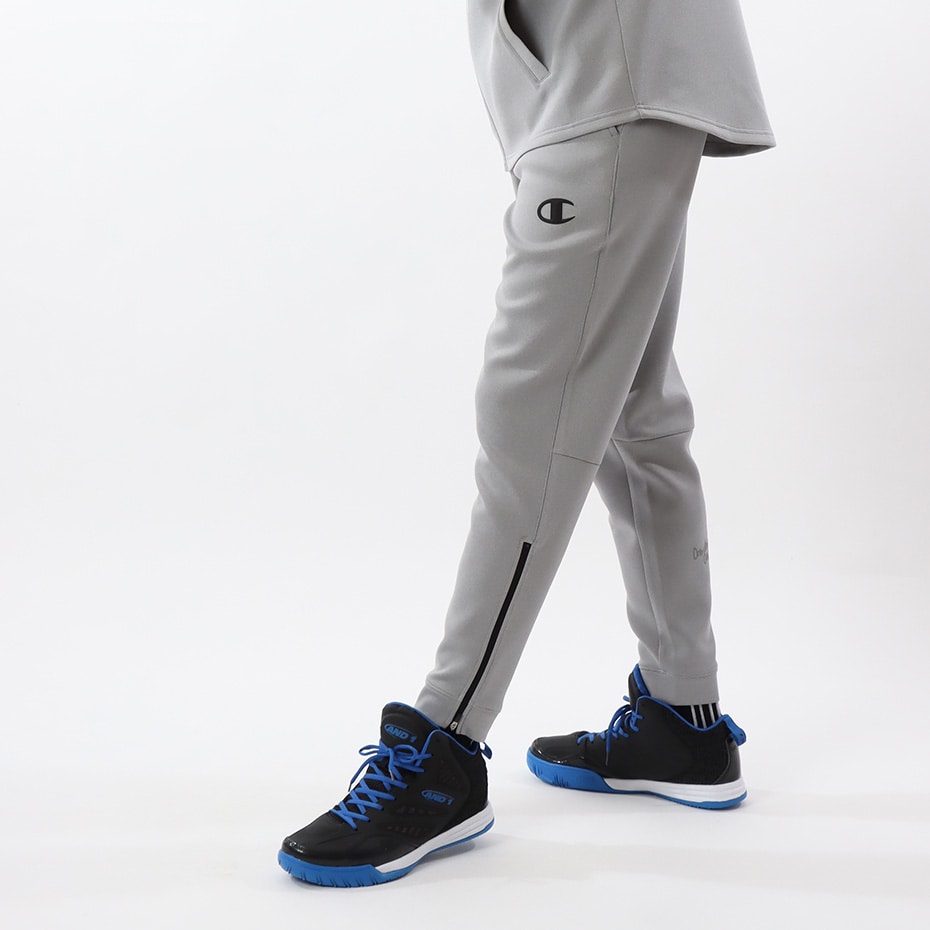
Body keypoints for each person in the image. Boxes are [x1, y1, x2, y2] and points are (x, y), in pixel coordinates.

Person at [278, 0, 774, 887]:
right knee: (634, 412)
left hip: (608, 72)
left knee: (531, 422)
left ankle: (444, 750)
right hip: (613, 75)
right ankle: (682, 719)